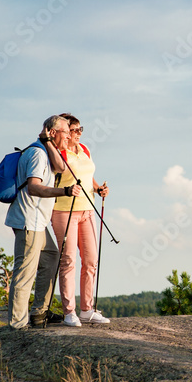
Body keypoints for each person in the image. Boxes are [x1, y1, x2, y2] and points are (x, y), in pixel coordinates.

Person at [6, 115, 81, 329]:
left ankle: (39, 314)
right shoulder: (38, 154)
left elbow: (60, 168)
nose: (69, 136)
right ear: (53, 132)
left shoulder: (45, 150)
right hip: (28, 220)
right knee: (25, 271)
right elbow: (33, 187)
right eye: (66, 132)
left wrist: (49, 142)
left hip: (38, 222)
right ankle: (17, 325)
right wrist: (64, 191)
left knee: (51, 256)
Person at [51, 113, 111, 326]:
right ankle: (69, 312)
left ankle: (87, 309)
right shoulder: (58, 152)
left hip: (87, 210)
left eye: (80, 129)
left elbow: (87, 176)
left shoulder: (84, 149)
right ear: (65, 133)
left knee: (91, 260)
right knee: (68, 261)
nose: (78, 134)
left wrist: (98, 188)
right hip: (64, 211)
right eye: (73, 130)